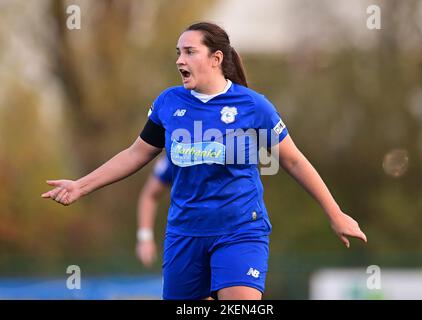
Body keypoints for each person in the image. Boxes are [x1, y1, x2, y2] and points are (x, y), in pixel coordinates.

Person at [42, 22, 367, 300]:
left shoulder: (254, 107)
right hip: (185, 233)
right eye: (178, 53)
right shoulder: (168, 103)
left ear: (216, 58)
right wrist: (80, 186)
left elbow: (294, 162)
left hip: (241, 229)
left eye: (189, 51)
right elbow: (134, 154)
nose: (180, 60)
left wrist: (335, 213)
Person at [136, 155, 173, 267]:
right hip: (186, 239)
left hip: (226, 237)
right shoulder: (177, 154)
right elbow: (149, 195)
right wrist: (145, 237)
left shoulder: (227, 145)